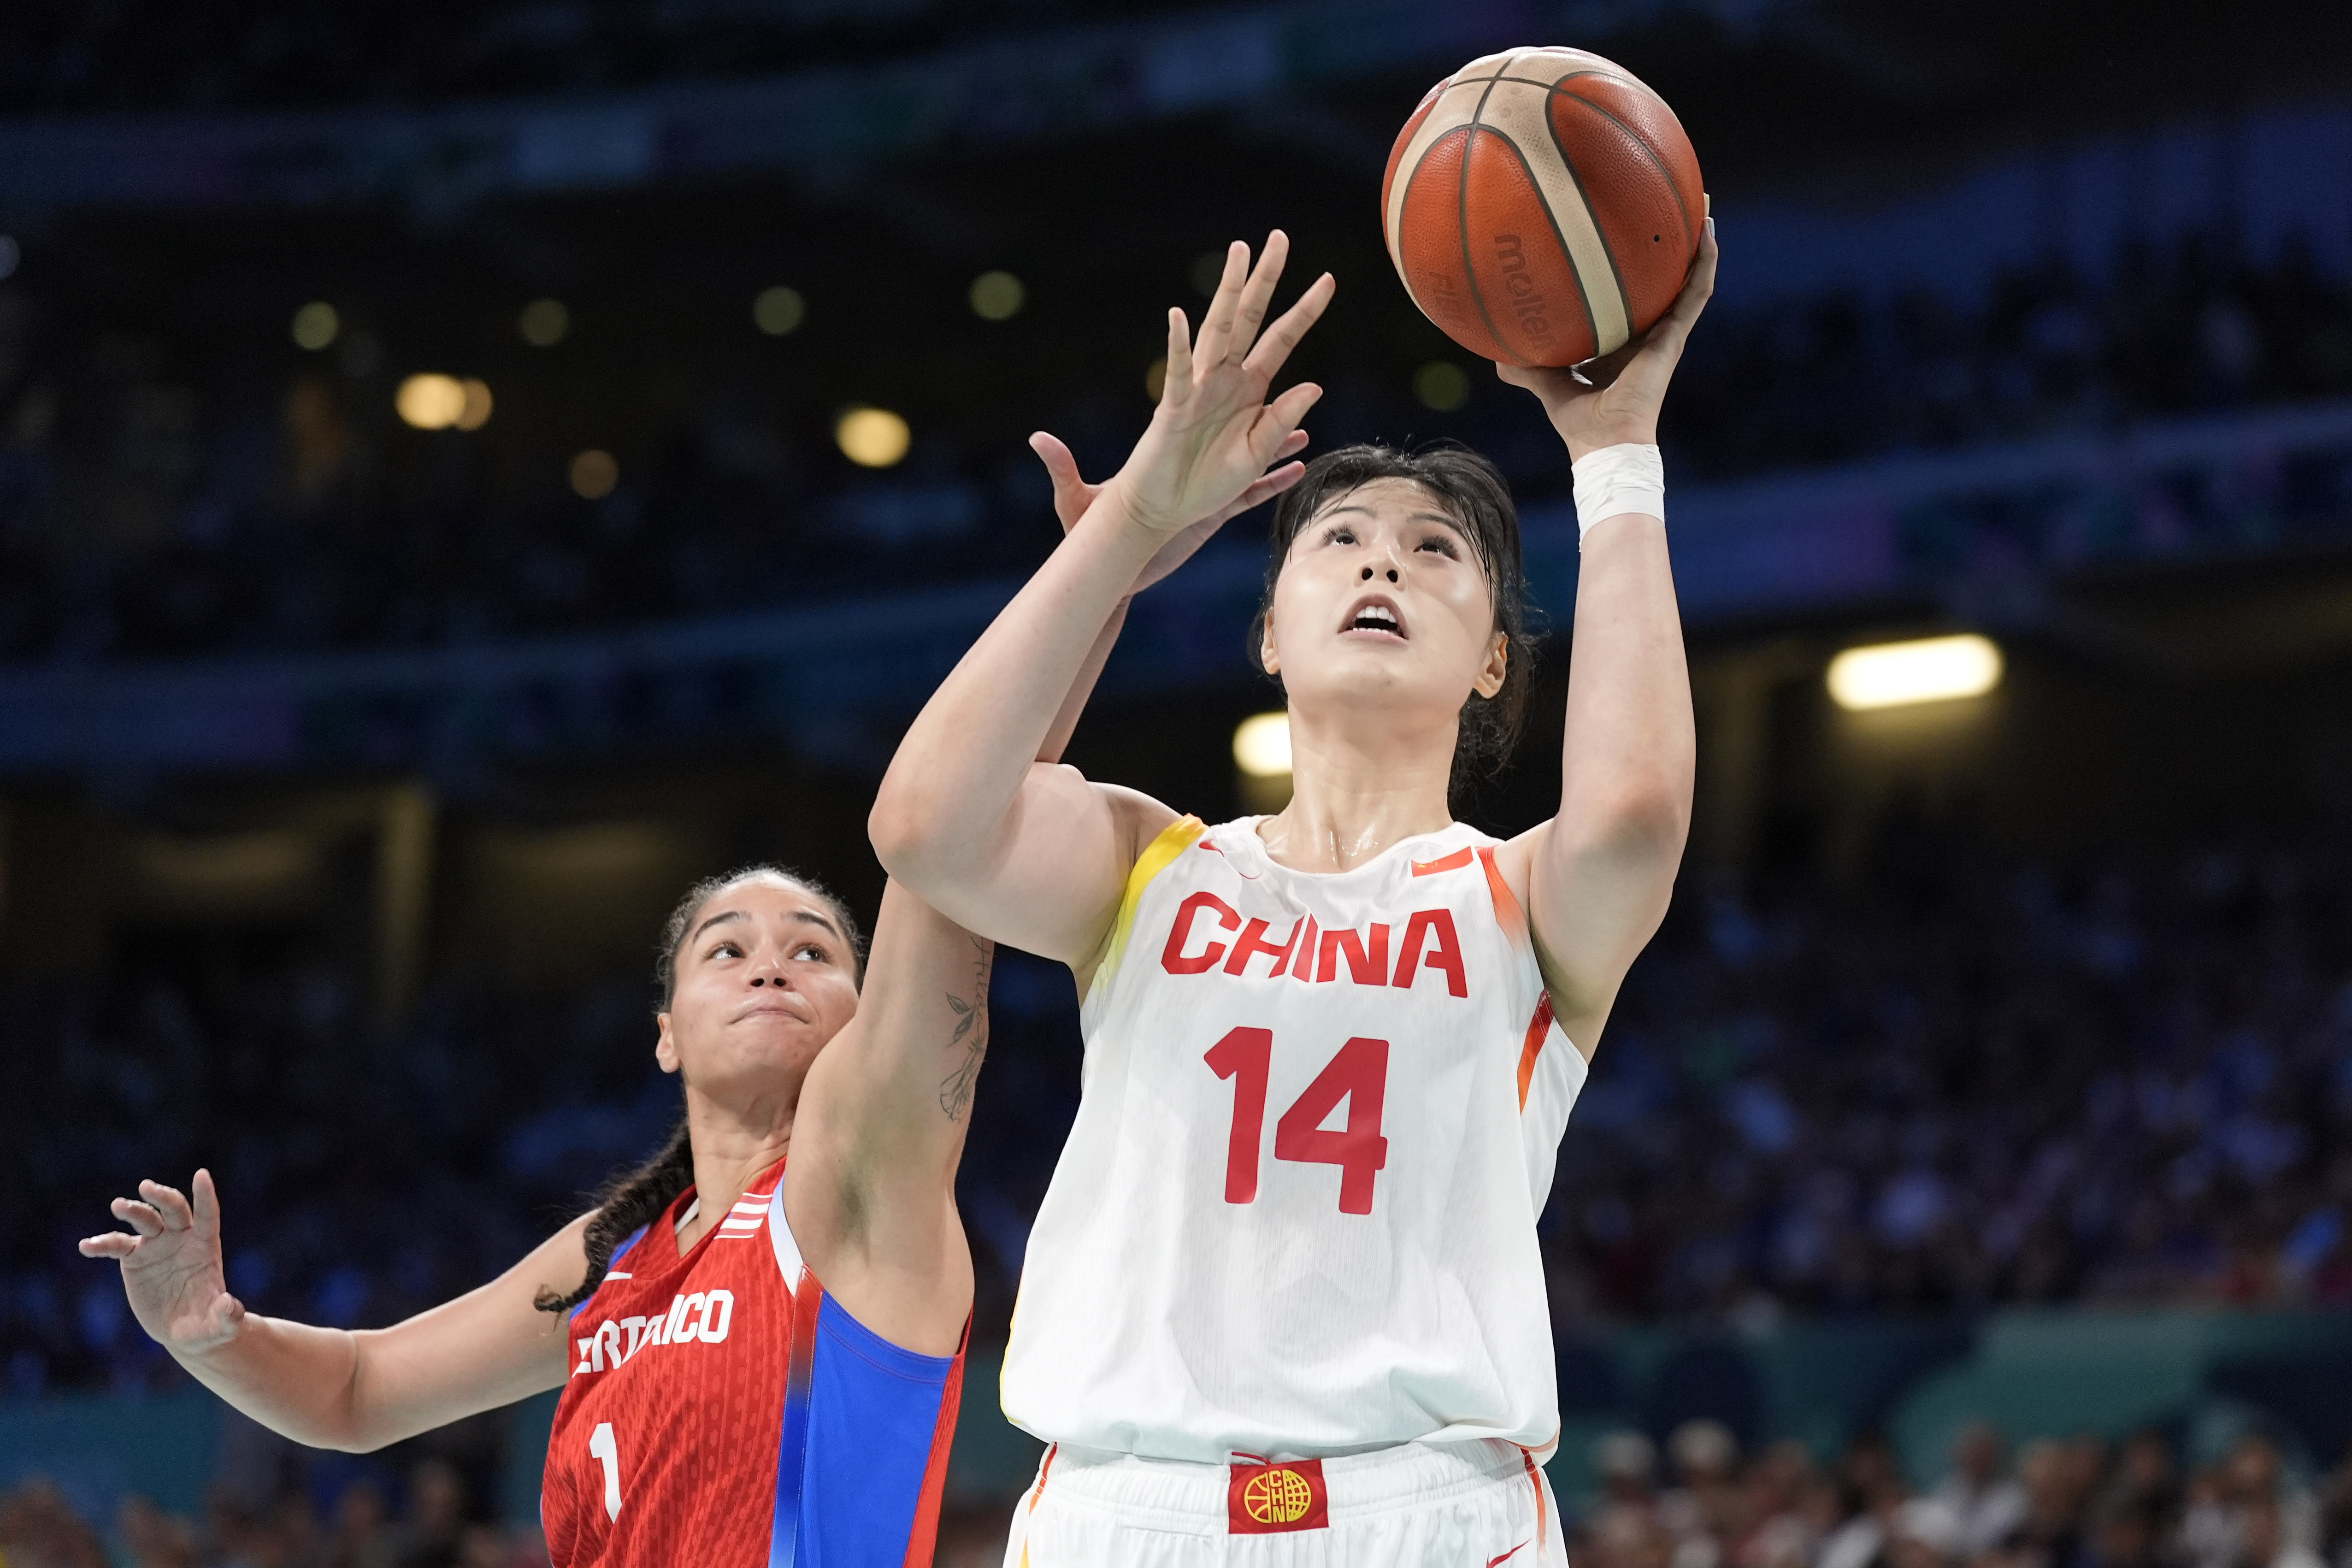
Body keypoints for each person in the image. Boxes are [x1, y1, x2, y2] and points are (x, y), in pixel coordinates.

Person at [73, 473, 1283, 1568]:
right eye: (728, 948)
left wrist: (1099, 574)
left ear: (866, 1015)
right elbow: (357, 1387)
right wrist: (207, 1334)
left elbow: (958, 830)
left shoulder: (863, 1179)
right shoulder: (612, 1256)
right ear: (665, 1029)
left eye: (815, 950)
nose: (772, 966)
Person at [870, 220, 1717, 1565]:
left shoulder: (1518, 899)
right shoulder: (1150, 863)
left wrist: (1613, 454)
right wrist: (1131, 527)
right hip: (1120, 1509)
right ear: (1268, 631)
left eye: (1438, 550)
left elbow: (1634, 810)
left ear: (1495, 662)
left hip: (1430, 1511)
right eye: (1342, 539)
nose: (1384, 561)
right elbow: (928, 825)